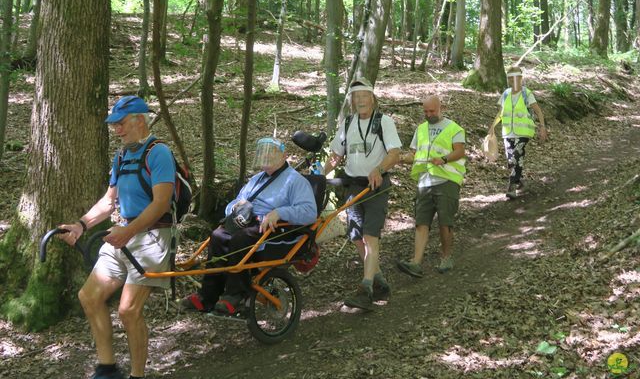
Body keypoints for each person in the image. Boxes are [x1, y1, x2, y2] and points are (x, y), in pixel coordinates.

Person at [59, 95, 176, 379]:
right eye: (114, 125)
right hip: (121, 234)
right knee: (89, 296)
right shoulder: (122, 155)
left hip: (152, 237)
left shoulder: (159, 153)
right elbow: (109, 201)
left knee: (128, 310)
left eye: (121, 123)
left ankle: (137, 375)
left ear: (139, 120)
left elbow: (161, 203)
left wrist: (127, 232)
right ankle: (107, 369)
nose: (117, 130)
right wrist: (81, 225)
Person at [181, 137, 317, 315]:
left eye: (272, 153)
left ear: (284, 155)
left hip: (277, 228)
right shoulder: (256, 179)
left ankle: (236, 295)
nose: (267, 157)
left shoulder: (295, 180)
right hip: (247, 222)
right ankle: (208, 296)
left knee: (241, 239)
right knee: (218, 236)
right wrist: (234, 208)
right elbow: (235, 202)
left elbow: (309, 211)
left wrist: (280, 212)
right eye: (264, 153)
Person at [323, 78, 401, 311]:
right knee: (356, 236)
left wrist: (378, 169)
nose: (360, 101)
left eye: (364, 96)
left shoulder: (383, 122)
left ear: (372, 98)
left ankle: (366, 287)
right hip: (353, 187)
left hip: (376, 186)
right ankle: (378, 280)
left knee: (370, 236)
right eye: (356, 97)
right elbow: (336, 155)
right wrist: (317, 174)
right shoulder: (347, 124)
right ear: (352, 102)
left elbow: (395, 153)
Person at [396, 95, 465, 277]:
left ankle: (446, 257)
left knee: (445, 222)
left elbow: (459, 151)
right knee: (421, 222)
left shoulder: (453, 128)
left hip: (447, 180)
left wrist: (443, 159)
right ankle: (416, 262)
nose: (428, 114)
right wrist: (403, 158)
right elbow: (414, 153)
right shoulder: (421, 129)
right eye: (426, 111)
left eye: (432, 111)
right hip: (424, 182)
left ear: (440, 108)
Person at [492, 66, 548, 199]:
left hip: (523, 132)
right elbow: (500, 113)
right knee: (512, 159)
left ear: (521, 79)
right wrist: (492, 127)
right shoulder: (505, 94)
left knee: (517, 154)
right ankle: (518, 178)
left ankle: (511, 186)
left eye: (515, 78)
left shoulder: (526, 93)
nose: (513, 81)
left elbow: (538, 110)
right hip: (508, 133)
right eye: (510, 78)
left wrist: (542, 127)